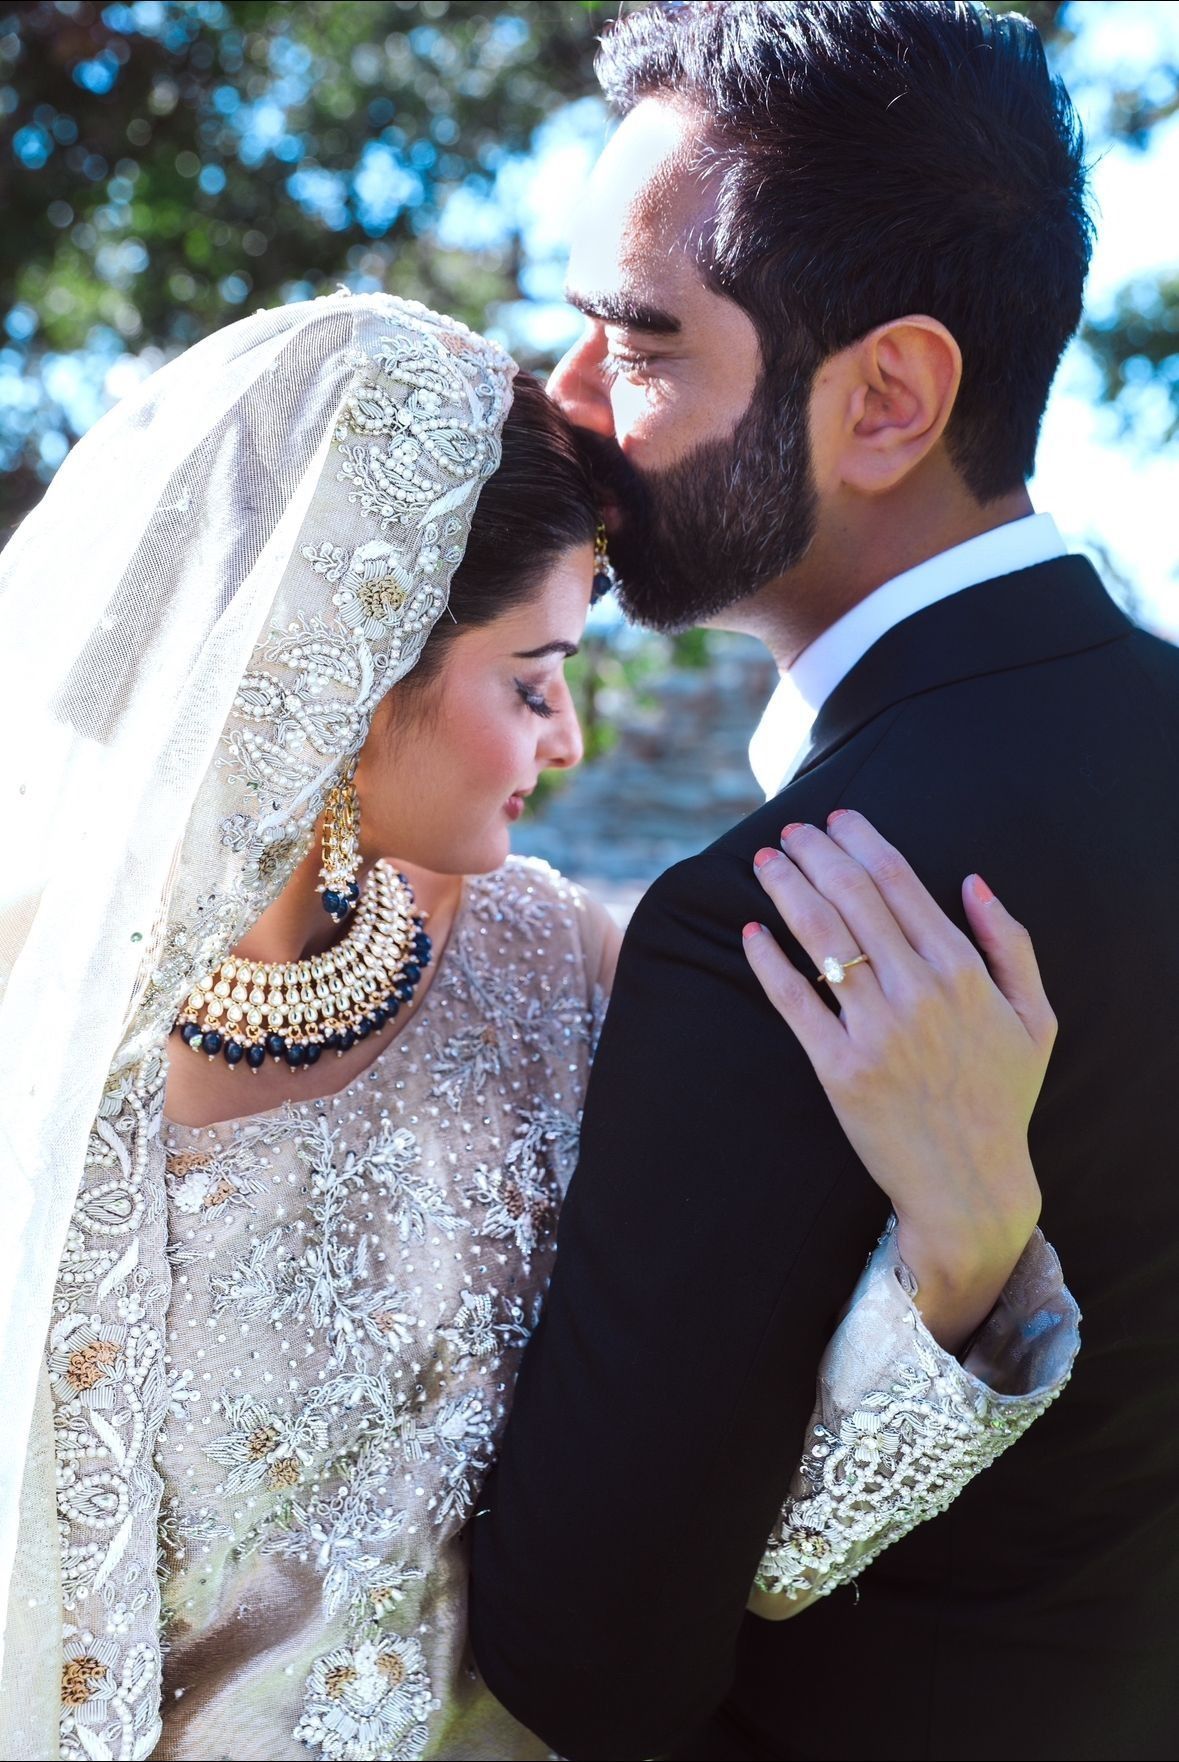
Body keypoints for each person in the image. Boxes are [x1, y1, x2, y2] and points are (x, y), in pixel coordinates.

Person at [0, 293, 1076, 1762]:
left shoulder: (569, 975)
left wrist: (967, 1247)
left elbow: (715, 1533)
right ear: (348, 672)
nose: (567, 741)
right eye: (533, 680)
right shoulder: (35, 1023)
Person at [468, 6, 1179, 1760]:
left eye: (641, 342)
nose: (568, 402)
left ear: (886, 401)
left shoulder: (791, 928)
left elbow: (588, 1663)